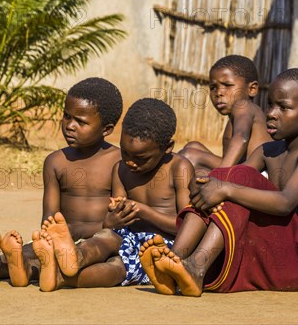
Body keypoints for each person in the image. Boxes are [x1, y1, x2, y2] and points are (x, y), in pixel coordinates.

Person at [140, 68, 298, 296]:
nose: (272, 114)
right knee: (222, 180)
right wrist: (205, 184)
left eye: (283, 107)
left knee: (235, 182)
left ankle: (196, 266)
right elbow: (227, 180)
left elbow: (285, 203)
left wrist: (224, 187)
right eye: (270, 105)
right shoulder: (267, 150)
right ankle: (176, 258)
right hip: (276, 247)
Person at [33, 98, 195, 292]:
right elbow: (116, 219)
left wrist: (144, 211)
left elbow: (186, 225)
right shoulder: (120, 169)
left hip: (159, 248)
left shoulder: (179, 168)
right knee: (106, 236)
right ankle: (74, 257)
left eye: (141, 158)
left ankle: (60, 278)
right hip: (128, 237)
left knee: (118, 268)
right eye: (125, 153)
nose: (131, 162)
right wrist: (112, 220)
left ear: (167, 147)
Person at [0, 77, 124, 287]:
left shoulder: (118, 161)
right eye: (66, 116)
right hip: (62, 239)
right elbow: (49, 215)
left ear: (106, 129)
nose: (70, 126)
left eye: (80, 122)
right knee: (30, 250)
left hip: (98, 241)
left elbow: (117, 216)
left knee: (113, 264)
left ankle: (28, 271)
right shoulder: (56, 161)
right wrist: (49, 237)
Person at [179, 55, 271, 176]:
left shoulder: (244, 107)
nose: (219, 93)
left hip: (259, 176)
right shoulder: (234, 118)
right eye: (213, 88)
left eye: (227, 85)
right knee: (193, 146)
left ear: (252, 89)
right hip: (240, 173)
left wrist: (219, 177)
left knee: (190, 156)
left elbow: (242, 138)